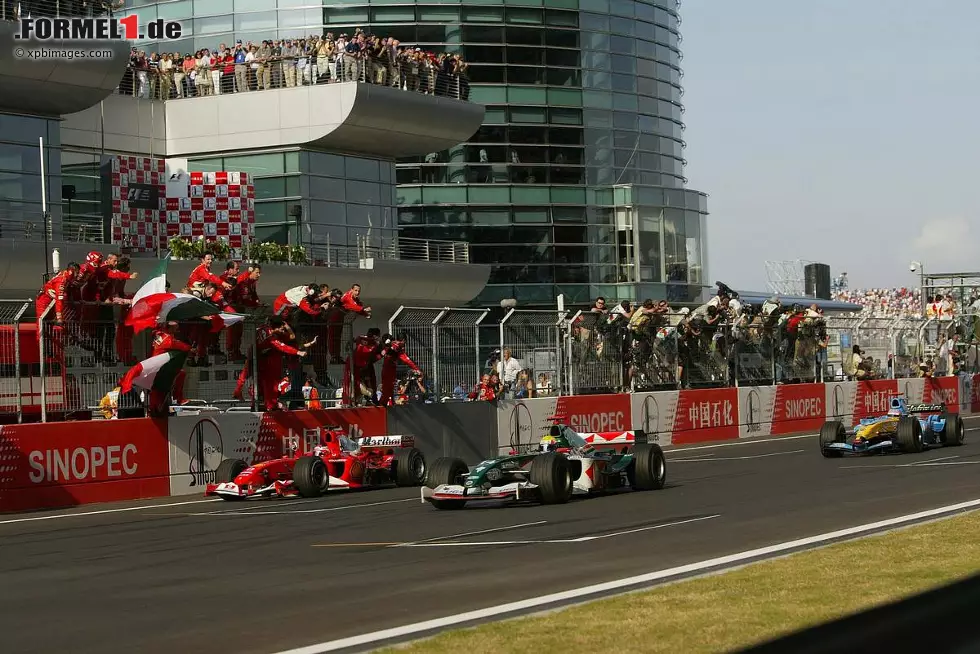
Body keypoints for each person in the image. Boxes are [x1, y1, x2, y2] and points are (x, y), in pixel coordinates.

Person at [148, 321, 192, 415]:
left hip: (154, 367)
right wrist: (191, 349)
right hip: (160, 369)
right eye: (175, 329)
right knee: (181, 373)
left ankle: (155, 408)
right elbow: (181, 346)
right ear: (169, 328)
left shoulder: (158, 334)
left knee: (158, 390)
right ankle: (178, 398)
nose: (176, 331)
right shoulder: (168, 339)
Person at [342, 327, 383, 406]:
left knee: (356, 382)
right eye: (378, 336)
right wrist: (381, 354)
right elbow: (372, 358)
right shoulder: (374, 344)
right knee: (358, 383)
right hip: (360, 365)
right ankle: (361, 400)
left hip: (359, 364)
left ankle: (361, 400)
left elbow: (352, 342)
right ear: (375, 336)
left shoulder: (361, 338)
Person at [36, 262, 79, 335]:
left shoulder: (66, 276)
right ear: (71, 271)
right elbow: (59, 299)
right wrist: (59, 317)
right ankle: (40, 344)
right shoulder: (62, 280)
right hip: (44, 300)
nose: (77, 274)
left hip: (51, 300)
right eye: (77, 272)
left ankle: (48, 344)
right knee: (41, 326)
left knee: (50, 325)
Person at [379, 333, 421, 406]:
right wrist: (416, 369)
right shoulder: (395, 345)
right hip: (388, 369)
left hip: (390, 369)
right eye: (405, 341)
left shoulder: (397, 346)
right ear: (404, 340)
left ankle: (391, 403)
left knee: (391, 387)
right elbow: (405, 359)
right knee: (387, 388)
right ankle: (382, 405)